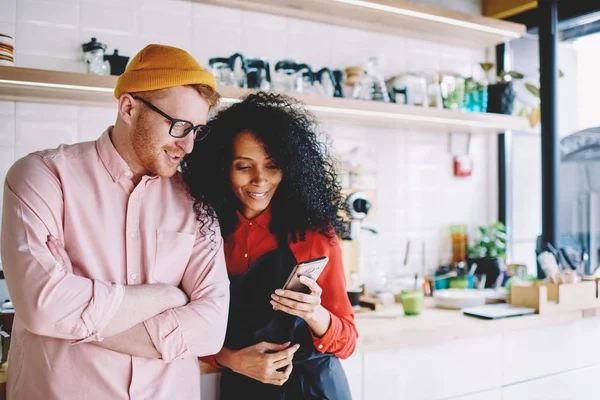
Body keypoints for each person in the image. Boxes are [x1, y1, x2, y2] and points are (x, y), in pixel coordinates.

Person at [0, 44, 230, 399]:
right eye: (179, 126)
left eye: (196, 130)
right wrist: (166, 296)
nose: (188, 146)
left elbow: (211, 328)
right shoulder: (43, 176)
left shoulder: (196, 201)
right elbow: (42, 305)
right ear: (128, 107)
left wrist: (77, 320)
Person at [182, 91, 358, 399]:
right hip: (242, 388)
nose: (260, 180)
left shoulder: (315, 236)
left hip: (315, 388)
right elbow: (184, 332)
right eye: (244, 166)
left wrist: (315, 314)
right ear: (223, 167)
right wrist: (230, 359)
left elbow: (348, 341)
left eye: (272, 165)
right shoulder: (202, 234)